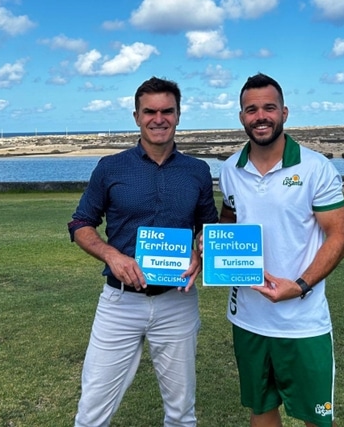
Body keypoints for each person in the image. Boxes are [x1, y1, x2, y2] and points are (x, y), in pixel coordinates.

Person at [68, 76, 219, 427]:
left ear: (179, 116)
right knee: (92, 410)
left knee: (182, 413)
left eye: (167, 111)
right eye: (149, 111)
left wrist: (200, 251)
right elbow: (80, 224)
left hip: (176, 301)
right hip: (120, 303)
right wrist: (112, 256)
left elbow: (206, 228)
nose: (159, 118)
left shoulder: (197, 171)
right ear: (136, 116)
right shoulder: (111, 167)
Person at [217, 73, 344, 427]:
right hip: (247, 316)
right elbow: (229, 220)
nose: (260, 116)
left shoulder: (315, 167)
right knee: (261, 408)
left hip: (302, 321)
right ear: (242, 116)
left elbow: (341, 237)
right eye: (251, 109)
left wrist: (301, 285)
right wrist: (211, 242)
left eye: (269, 108)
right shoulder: (230, 169)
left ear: (284, 113)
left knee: (316, 418)